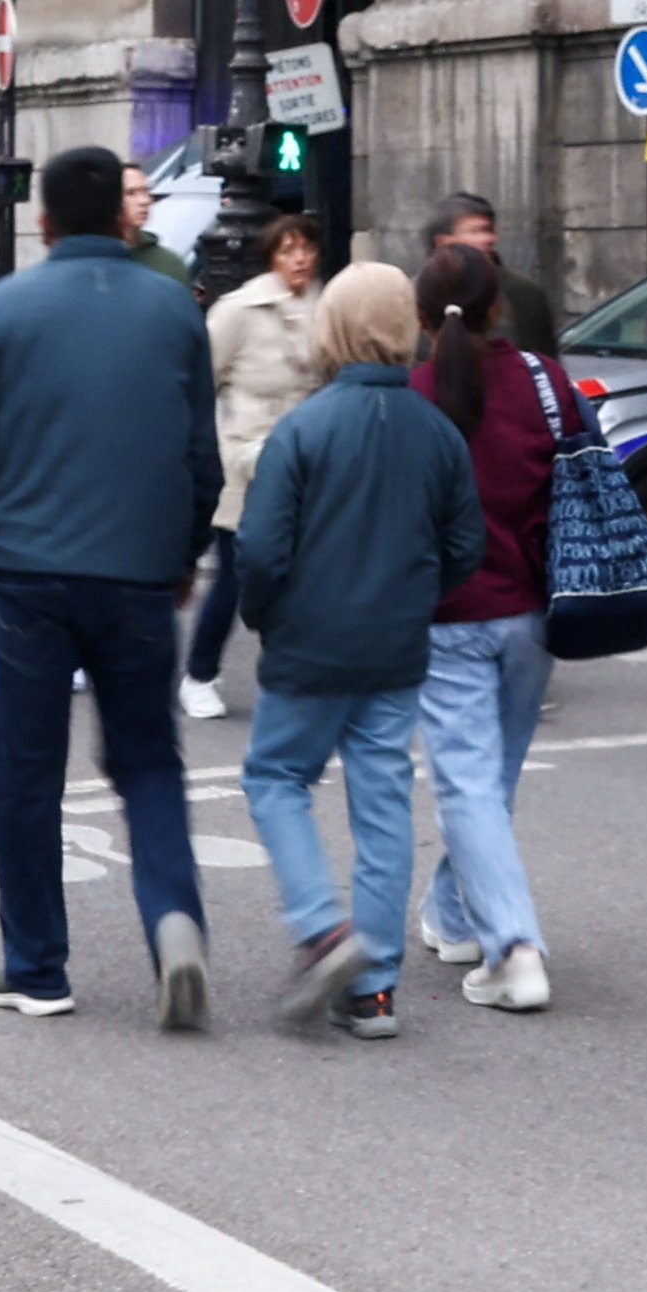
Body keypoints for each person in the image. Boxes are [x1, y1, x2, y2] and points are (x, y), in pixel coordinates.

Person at [0, 142, 221, 1026]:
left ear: (46, 219)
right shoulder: (174, 307)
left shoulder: (0, 309)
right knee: (148, 759)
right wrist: (181, 554)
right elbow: (200, 456)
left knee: (24, 771)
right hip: (137, 572)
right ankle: (174, 919)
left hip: (23, 569)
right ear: (125, 216)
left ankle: (37, 966)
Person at [222, 259, 474, 1042]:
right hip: (395, 645)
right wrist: (414, 592)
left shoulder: (304, 425)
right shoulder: (436, 429)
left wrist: (265, 614)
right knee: (383, 804)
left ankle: (321, 927)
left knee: (275, 776)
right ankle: (373, 990)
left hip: (310, 641)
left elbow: (260, 549)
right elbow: (465, 544)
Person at [408, 240, 563, 1010]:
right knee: (488, 783)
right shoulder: (546, 382)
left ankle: (515, 949)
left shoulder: (414, 395)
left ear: (422, 317)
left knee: (470, 786)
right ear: (500, 307)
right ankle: (451, 911)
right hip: (534, 611)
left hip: (448, 617)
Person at [188, 214, 328, 718]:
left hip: (307, 461)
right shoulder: (238, 309)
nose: (299, 259)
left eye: (306, 249)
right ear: (271, 255)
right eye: (288, 249)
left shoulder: (326, 307)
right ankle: (200, 673)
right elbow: (201, 379)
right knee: (236, 575)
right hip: (247, 459)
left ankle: (289, 670)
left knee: (301, 576)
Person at [422, 190, 562, 361]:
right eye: (476, 231)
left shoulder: (525, 293)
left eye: (489, 230)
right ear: (442, 241)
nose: (489, 239)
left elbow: (547, 365)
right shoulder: (412, 294)